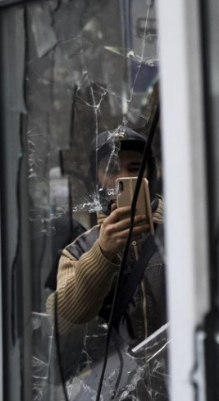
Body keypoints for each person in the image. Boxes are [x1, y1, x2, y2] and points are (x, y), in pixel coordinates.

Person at [47, 126, 165, 346]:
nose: (124, 177)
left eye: (135, 168)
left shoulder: (184, 232)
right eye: (112, 169)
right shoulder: (80, 249)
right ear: (97, 181)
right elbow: (63, 323)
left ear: (149, 173)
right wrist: (102, 254)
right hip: (121, 377)